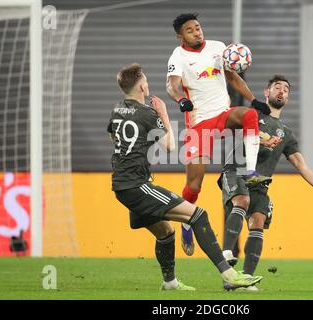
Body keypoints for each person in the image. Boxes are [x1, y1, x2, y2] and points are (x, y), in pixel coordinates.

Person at [107, 63, 263, 291]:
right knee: (199, 215)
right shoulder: (147, 113)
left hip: (122, 184)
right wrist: (163, 113)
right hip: (136, 185)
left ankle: (169, 282)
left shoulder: (118, 109)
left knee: (165, 232)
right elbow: (169, 146)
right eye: (146, 80)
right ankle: (229, 275)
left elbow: (114, 137)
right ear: (142, 86)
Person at [219, 75, 313, 290]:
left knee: (258, 221)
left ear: (288, 98)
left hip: (260, 183)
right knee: (242, 201)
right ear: (266, 92)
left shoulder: (286, 133)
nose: (282, 91)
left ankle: (245, 280)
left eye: (286, 89)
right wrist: (261, 140)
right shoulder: (251, 115)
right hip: (236, 172)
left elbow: (301, 165)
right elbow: (230, 132)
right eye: (277, 87)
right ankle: (226, 251)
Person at [166, 13, 271, 256]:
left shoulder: (217, 48)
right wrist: (181, 99)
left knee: (250, 116)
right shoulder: (178, 56)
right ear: (180, 36)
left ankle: (251, 171)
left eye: (198, 27)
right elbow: (172, 85)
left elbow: (232, 76)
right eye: (190, 30)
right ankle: (185, 222)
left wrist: (253, 99)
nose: (197, 32)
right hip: (199, 123)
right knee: (194, 185)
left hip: (223, 114)